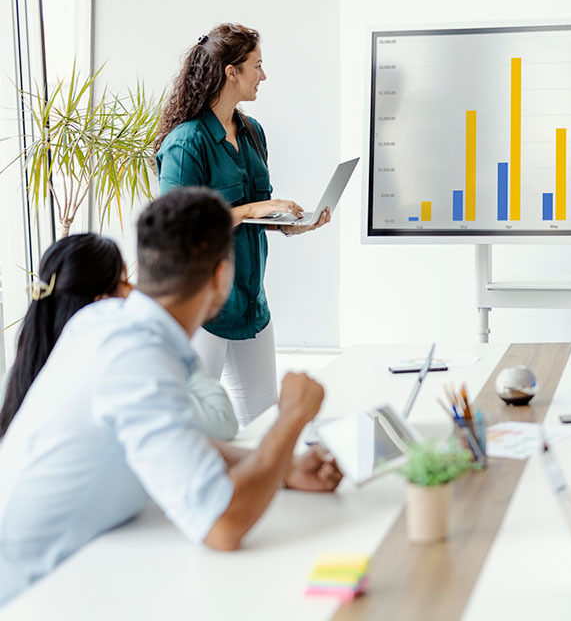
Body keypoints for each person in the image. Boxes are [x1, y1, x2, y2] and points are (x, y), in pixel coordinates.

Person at [0, 188, 342, 606]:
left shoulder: (104, 321)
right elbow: (222, 526)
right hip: (32, 596)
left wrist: (283, 467)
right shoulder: (137, 357)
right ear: (221, 277)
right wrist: (292, 418)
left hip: (73, 575)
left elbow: (177, 440)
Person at [155, 23, 330, 427]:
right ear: (231, 71)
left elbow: (255, 212)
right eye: (257, 66)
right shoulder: (187, 142)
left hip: (251, 303)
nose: (263, 76)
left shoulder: (252, 133)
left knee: (264, 419)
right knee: (197, 425)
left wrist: (289, 224)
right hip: (205, 309)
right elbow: (174, 227)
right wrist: (252, 210)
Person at [0, 234, 239, 441]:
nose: (134, 291)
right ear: (101, 304)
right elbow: (222, 422)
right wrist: (172, 332)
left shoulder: (18, 376)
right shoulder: (117, 372)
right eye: (124, 282)